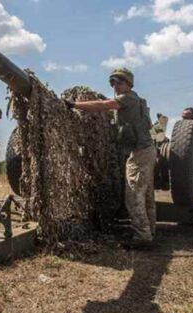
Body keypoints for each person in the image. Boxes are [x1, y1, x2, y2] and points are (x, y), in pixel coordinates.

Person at [63, 68, 156, 248]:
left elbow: (103, 105)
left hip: (140, 152)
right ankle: (149, 231)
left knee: (134, 194)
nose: (115, 86)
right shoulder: (137, 101)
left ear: (129, 84)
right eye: (112, 83)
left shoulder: (128, 98)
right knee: (146, 195)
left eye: (119, 82)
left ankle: (143, 238)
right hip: (145, 150)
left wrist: (74, 105)